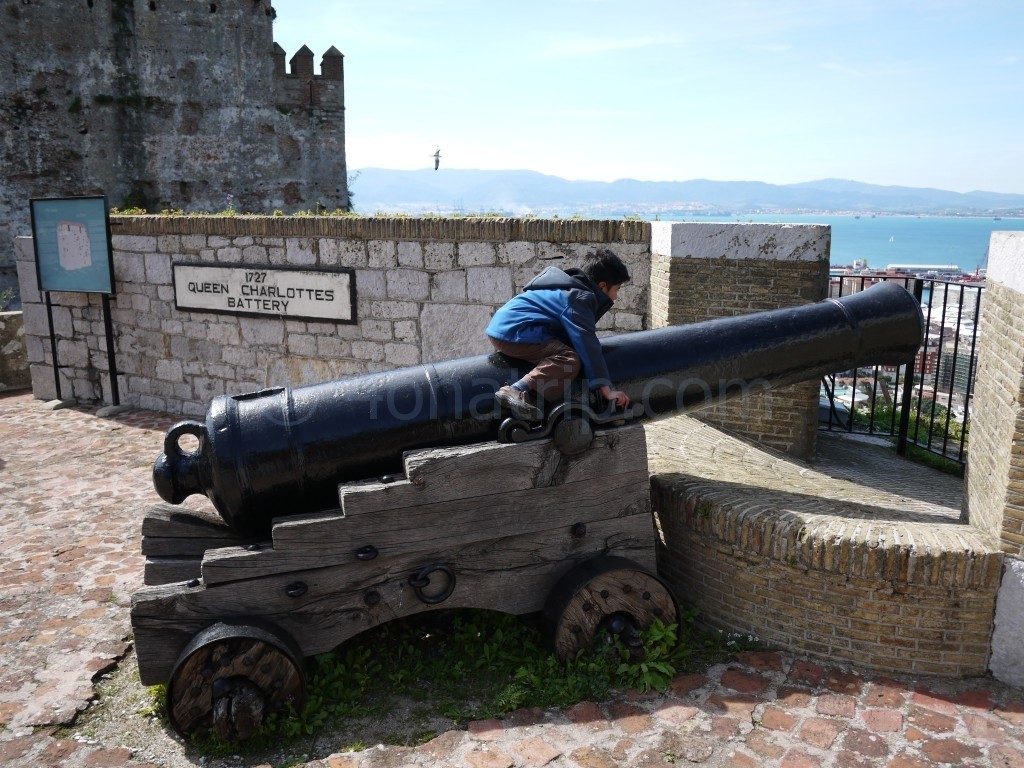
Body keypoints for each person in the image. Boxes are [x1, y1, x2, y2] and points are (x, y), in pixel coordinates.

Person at [485, 249, 632, 421]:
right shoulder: (581, 297)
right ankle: (517, 389)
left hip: (505, 327)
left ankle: (535, 400)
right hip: (516, 331)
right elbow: (586, 341)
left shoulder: (569, 288)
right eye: (617, 289)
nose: (617, 297)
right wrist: (606, 389)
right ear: (602, 287)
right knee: (569, 359)